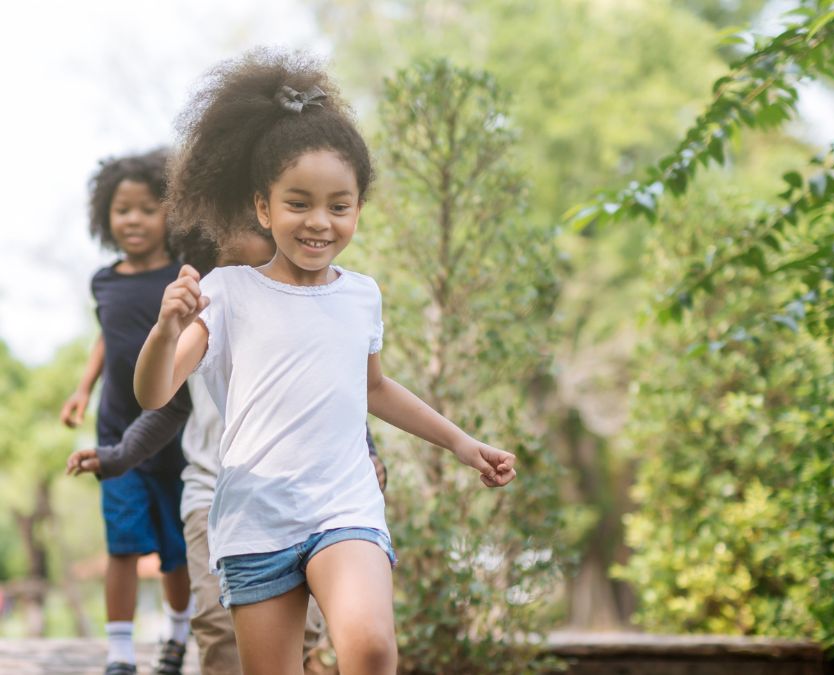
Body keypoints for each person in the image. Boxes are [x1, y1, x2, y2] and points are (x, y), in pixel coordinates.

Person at [133, 49, 517, 675]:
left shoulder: (361, 294)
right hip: (255, 518)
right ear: (263, 207)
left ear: (358, 209)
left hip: (344, 505)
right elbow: (154, 391)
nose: (319, 222)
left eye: (339, 206)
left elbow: (377, 387)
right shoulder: (227, 292)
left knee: (368, 648)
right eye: (299, 203)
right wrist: (165, 327)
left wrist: (463, 444)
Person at [68, 224, 388, 675]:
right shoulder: (210, 315)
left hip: (308, 503)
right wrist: (116, 456)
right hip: (213, 498)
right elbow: (162, 405)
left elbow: (342, 396)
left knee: (307, 638)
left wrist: (370, 451)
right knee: (222, 634)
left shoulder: (318, 309)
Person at [60, 150, 191, 675]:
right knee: (123, 542)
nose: (133, 219)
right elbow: (105, 337)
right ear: (105, 217)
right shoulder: (104, 280)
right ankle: (119, 654)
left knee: (173, 547)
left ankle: (177, 638)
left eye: (146, 208)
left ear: (170, 214)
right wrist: (82, 389)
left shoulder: (184, 276)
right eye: (122, 209)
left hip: (172, 430)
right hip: (115, 433)